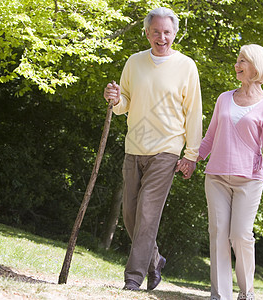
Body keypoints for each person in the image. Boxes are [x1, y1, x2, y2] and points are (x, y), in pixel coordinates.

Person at [103, 7, 202, 291]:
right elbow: (123, 105)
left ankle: (133, 278)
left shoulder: (186, 66)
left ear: (175, 34)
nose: (161, 37)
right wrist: (113, 98)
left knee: (147, 214)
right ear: (147, 32)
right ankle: (155, 259)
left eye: (167, 32)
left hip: (167, 150)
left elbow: (194, 113)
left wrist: (191, 155)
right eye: (156, 31)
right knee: (130, 215)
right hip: (135, 146)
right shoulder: (134, 63)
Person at [182, 44, 263, 300]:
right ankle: (220, 294)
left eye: (242, 61)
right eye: (237, 60)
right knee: (218, 233)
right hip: (216, 177)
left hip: (250, 179)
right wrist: (192, 159)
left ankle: (246, 292)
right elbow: (210, 136)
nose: (237, 65)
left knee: (240, 234)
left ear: (256, 66)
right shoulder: (224, 98)